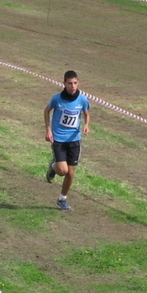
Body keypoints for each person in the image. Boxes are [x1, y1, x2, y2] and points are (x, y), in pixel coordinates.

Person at [44, 71, 92, 211]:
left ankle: (62, 199)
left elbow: (87, 114)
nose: (73, 86)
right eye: (70, 83)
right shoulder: (57, 99)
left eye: (75, 83)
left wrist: (87, 125)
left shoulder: (82, 99)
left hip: (74, 140)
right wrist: (48, 129)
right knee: (62, 171)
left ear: (78, 83)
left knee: (70, 173)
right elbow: (46, 111)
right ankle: (53, 167)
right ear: (64, 83)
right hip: (59, 139)